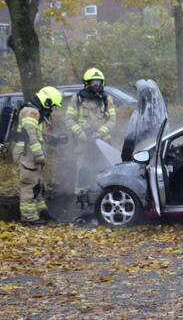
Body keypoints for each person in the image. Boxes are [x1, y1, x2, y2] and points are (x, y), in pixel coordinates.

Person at [14, 87, 63, 225]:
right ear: (46, 101)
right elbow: (31, 136)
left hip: (31, 153)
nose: (52, 108)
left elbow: (40, 135)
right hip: (26, 153)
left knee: (38, 184)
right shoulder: (31, 112)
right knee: (29, 185)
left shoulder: (36, 112)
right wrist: (39, 154)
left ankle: (42, 212)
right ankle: (29, 218)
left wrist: (56, 139)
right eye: (52, 105)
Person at [67, 67, 117, 201]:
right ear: (86, 83)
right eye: (93, 82)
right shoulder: (77, 99)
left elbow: (112, 120)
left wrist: (100, 133)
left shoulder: (107, 99)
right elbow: (69, 119)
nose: (96, 84)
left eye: (98, 82)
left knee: (104, 168)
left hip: (102, 142)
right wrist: (81, 134)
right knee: (83, 168)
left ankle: (104, 195)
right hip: (83, 143)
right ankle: (81, 196)